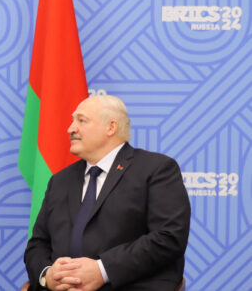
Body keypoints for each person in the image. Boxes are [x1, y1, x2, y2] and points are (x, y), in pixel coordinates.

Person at [24, 95, 190, 291]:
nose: (71, 129)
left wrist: (102, 270)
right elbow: (37, 244)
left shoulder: (156, 169)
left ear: (111, 127)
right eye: (72, 120)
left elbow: (169, 237)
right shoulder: (60, 180)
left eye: (81, 120)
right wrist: (47, 275)